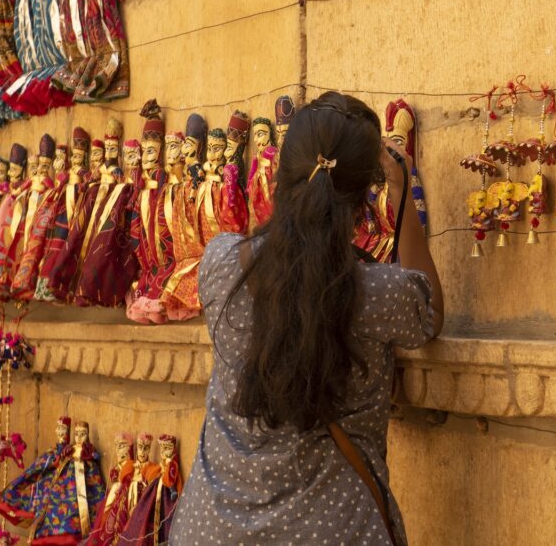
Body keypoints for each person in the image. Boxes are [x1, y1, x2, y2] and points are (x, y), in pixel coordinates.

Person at [169, 92, 444, 545]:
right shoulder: (376, 294)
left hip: (212, 528)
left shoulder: (221, 266)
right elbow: (429, 310)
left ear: (279, 172)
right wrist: (402, 189)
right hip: (333, 531)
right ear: (362, 198)